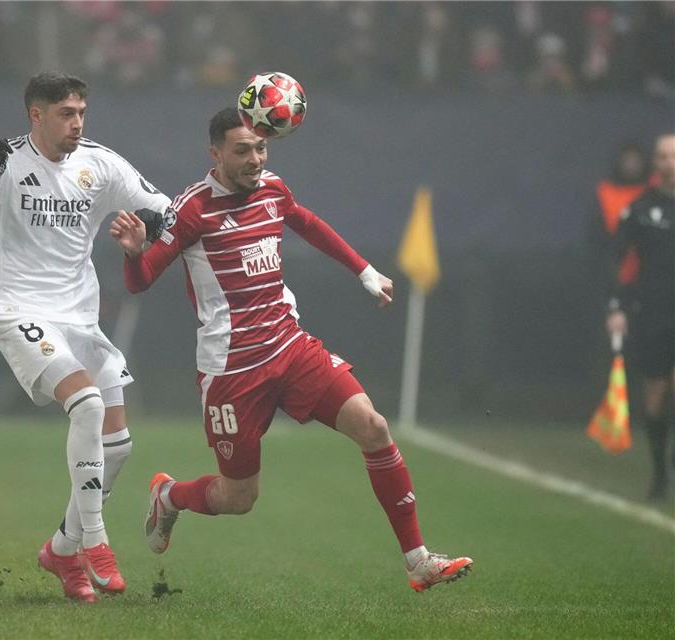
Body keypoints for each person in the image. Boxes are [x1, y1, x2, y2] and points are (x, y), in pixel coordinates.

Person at [109, 107, 472, 592]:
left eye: (261, 148)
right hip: (232, 370)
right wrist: (134, 253)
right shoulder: (192, 209)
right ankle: (170, 496)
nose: (255, 159)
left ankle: (418, 561)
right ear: (215, 153)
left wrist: (364, 271)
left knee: (373, 427)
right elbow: (141, 281)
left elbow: (307, 223)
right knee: (239, 497)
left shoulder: (273, 189)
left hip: (290, 346)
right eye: (242, 151)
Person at [0, 72, 171, 603]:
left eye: (81, 112)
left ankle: (63, 549)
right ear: (35, 115)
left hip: (79, 317)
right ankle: (96, 543)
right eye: (66, 113)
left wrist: (147, 237)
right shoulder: (3, 158)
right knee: (87, 404)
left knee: (119, 446)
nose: (77, 123)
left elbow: (165, 210)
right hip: (15, 307)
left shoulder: (100, 163)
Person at [605, 133, 675, 501]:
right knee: (655, 391)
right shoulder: (640, 209)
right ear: (655, 163)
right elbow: (617, 260)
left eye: (674, 156)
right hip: (652, 309)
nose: (668, 163)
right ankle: (659, 472)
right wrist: (616, 306)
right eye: (662, 156)